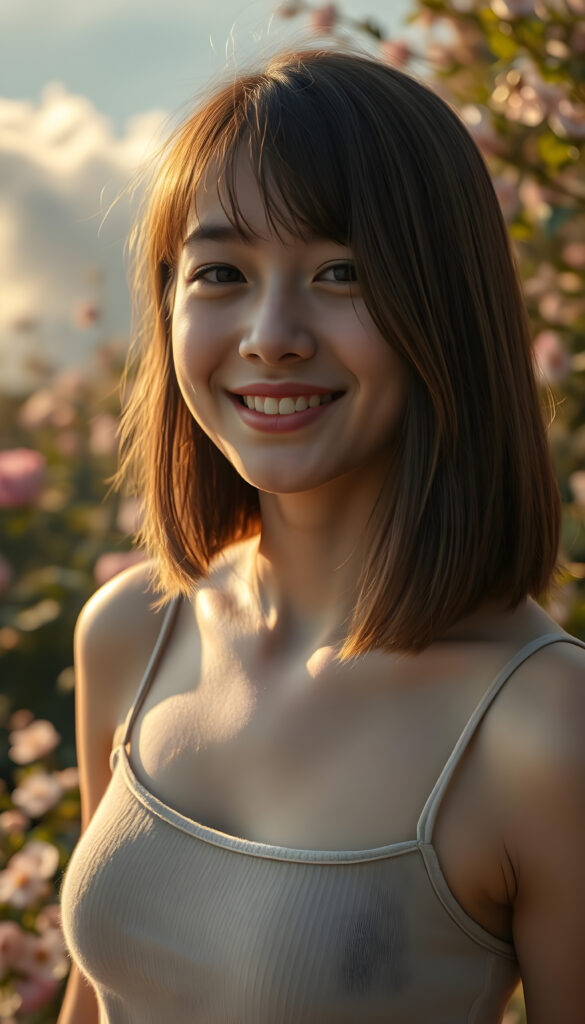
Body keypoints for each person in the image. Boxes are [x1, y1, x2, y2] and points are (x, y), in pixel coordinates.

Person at [57, 48, 585, 1024]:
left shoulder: (545, 726)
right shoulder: (131, 631)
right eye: (221, 272)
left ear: (447, 305)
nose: (271, 334)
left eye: (341, 272)